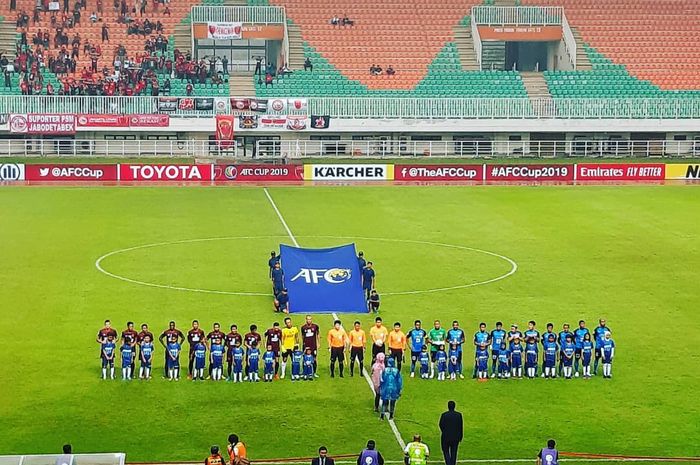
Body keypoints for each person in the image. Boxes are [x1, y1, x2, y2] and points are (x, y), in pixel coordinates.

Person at [439, 401, 463, 465]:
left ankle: (448, 463)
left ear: (448, 406)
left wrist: (444, 431)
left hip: (445, 437)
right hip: (455, 437)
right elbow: (460, 426)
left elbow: (441, 424)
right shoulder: (458, 415)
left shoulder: (444, 415)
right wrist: (460, 436)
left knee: (446, 451)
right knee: (454, 452)